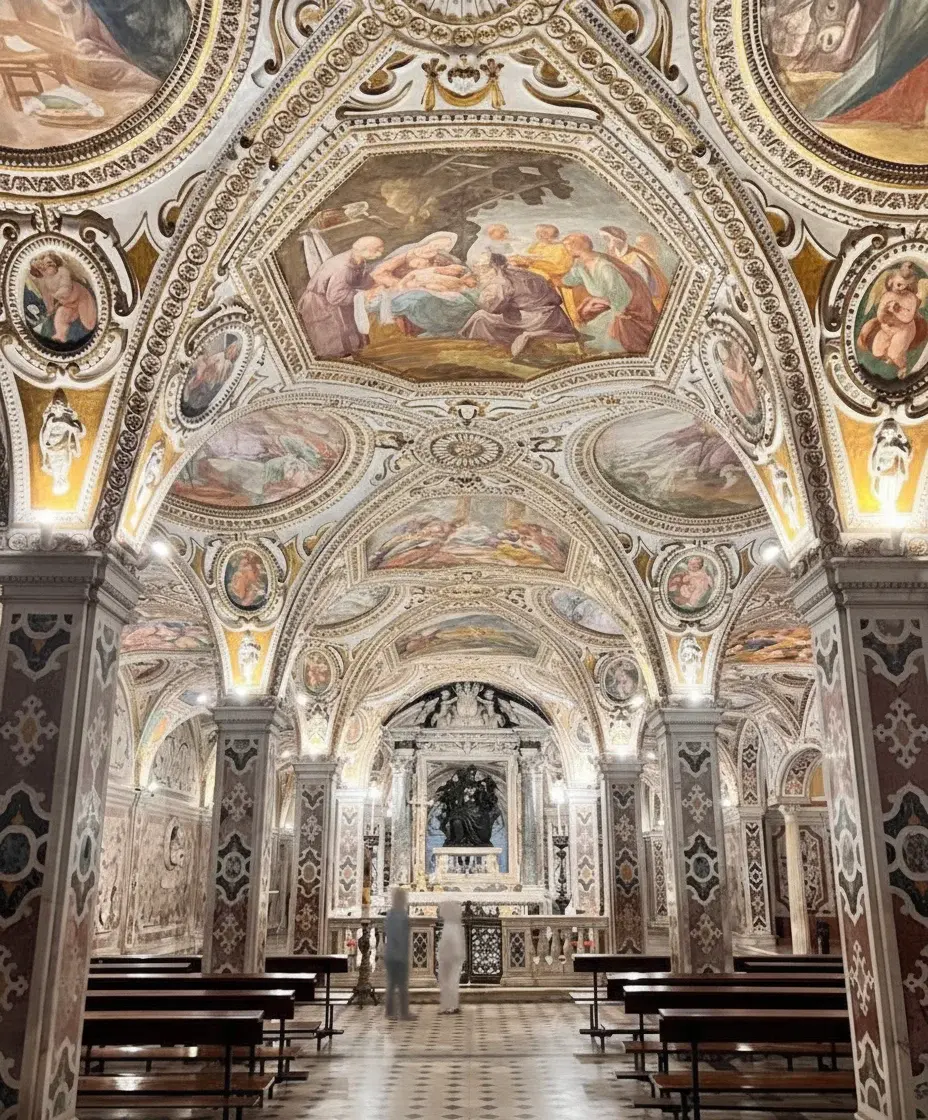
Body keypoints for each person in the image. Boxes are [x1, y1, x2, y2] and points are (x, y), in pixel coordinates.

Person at [460, 253, 577, 357]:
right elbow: (557, 298)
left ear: (494, 267)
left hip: (535, 321)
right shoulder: (523, 272)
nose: (478, 271)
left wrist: (470, 290)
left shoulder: (501, 281)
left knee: (480, 317)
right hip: (556, 317)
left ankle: (488, 351)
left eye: (482, 268)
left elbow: (492, 308)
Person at [297, 235, 384, 358]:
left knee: (352, 340)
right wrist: (364, 295)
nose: (380, 253)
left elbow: (358, 279)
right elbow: (336, 296)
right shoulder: (343, 268)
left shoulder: (357, 259)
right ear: (365, 250)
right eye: (377, 250)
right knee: (336, 344)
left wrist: (375, 283)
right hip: (320, 304)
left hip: (332, 300)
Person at [384, 887, 413, 1021]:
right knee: (401, 985)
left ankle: (391, 1012)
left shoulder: (391, 914)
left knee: (392, 984)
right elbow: (399, 936)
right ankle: (403, 1013)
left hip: (390, 954)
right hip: (398, 956)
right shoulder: (401, 915)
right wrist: (403, 955)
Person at [437, 900, 466, 1015]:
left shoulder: (450, 925)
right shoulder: (454, 924)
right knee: (451, 982)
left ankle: (449, 1007)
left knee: (448, 982)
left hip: (450, 958)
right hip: (453, 957)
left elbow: (450, 942)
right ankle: (452, 1005)